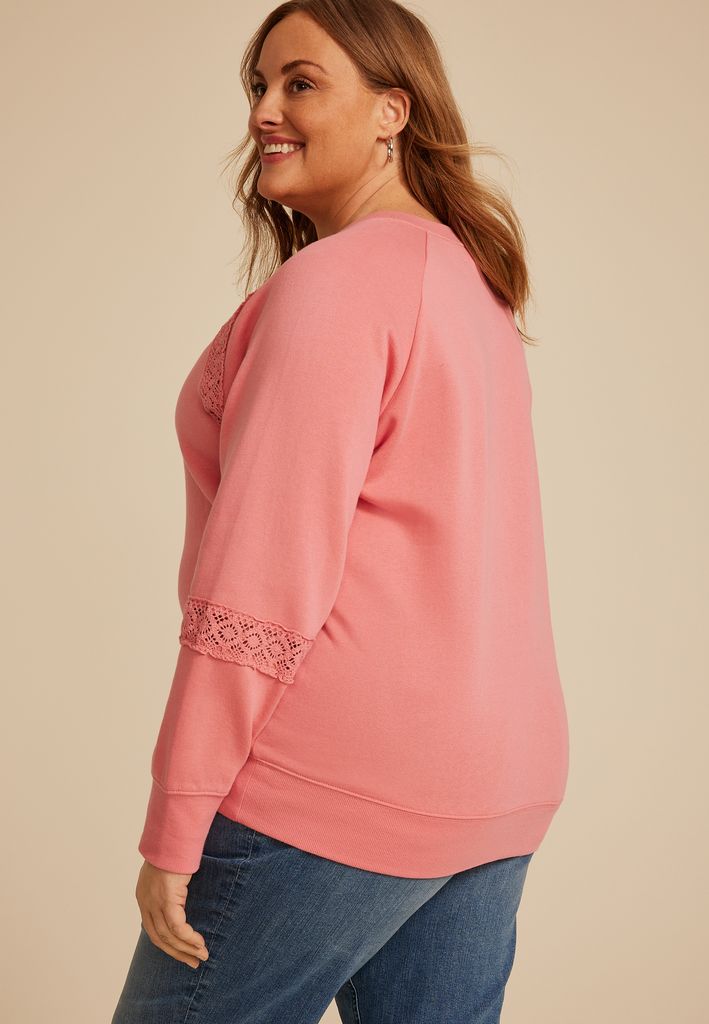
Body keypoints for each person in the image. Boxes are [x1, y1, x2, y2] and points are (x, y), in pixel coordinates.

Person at [111, 1, 570, 1021]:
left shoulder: (334, 288)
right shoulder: (471, 285)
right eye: (258, 86)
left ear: (391, 112)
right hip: (495, 779)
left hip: (332, 786)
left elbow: (260, 585)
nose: (263, 111)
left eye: (300, 84)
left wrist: (176, 820)